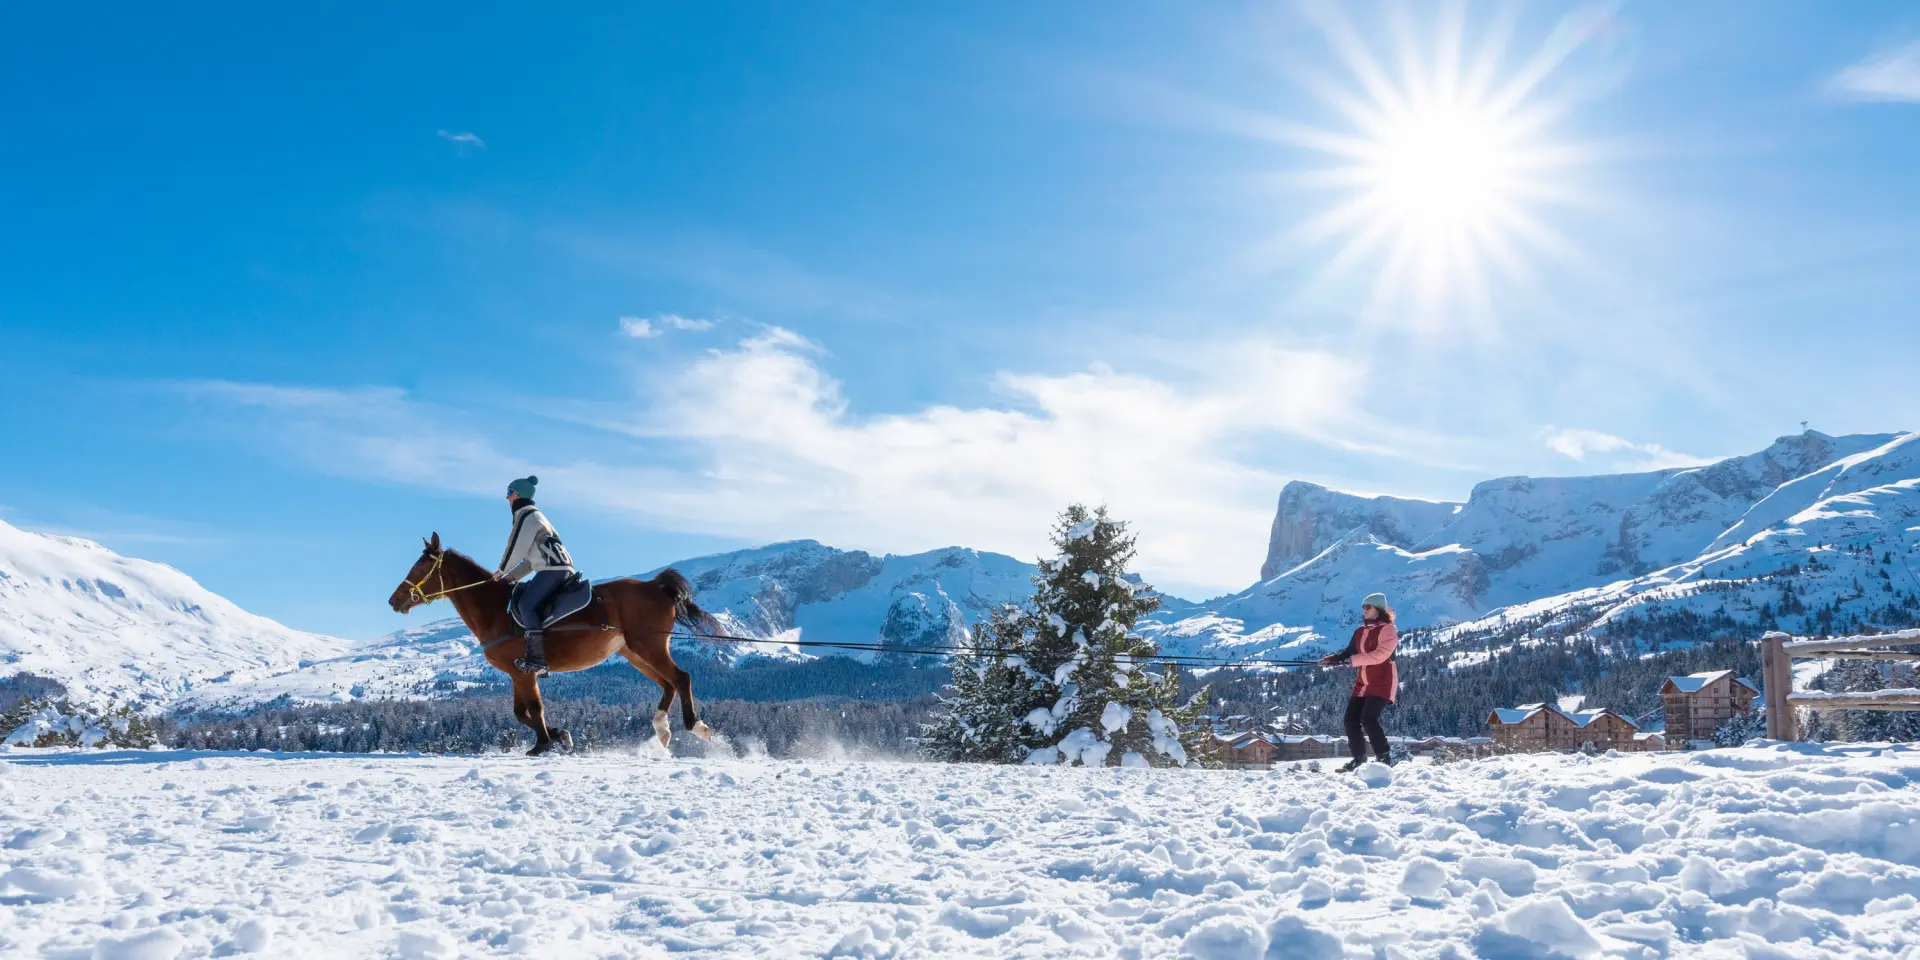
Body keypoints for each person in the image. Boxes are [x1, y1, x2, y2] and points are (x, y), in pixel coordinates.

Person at [494, 476, 574, 676]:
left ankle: (537, 660)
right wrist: (512, 577)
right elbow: (531, 560)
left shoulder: (527, 515)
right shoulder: (538, 517)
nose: (507, 498)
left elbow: (515, 547)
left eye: (510, 493)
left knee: (525, 605)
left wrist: (501, 570)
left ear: (519, 495)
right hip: (558, 568)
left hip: (551, 571)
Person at [1318, 592, 1398, 773]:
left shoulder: (1388, 630)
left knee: (1369, 718)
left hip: (1382, 681)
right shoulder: (1360, 631)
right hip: (1363, 682)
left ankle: (1385, 758)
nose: (1364, 610)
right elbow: (1348, 652)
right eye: (1363, 606)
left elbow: (1380, 655)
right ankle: (1359, 760)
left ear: (1377, 609)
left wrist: (1352, 661)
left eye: (1367, 607)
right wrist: (1332, 659)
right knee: (1350, 720)